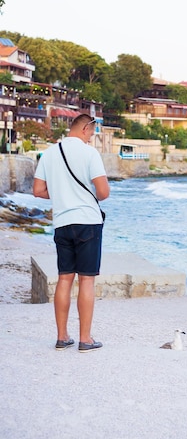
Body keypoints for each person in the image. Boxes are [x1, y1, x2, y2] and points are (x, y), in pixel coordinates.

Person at [33, 114, 110, 352]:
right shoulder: (89, 154)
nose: (92, 137)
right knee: (86, 279)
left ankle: (62, 337)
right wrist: (84, 197)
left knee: (65, 278)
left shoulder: (50, 153)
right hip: (87, 222)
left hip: (62, 223)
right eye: (92, 132)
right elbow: (104, 192)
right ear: (85, 128)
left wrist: (61, 195)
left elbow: (38, 190)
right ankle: (85, 339)